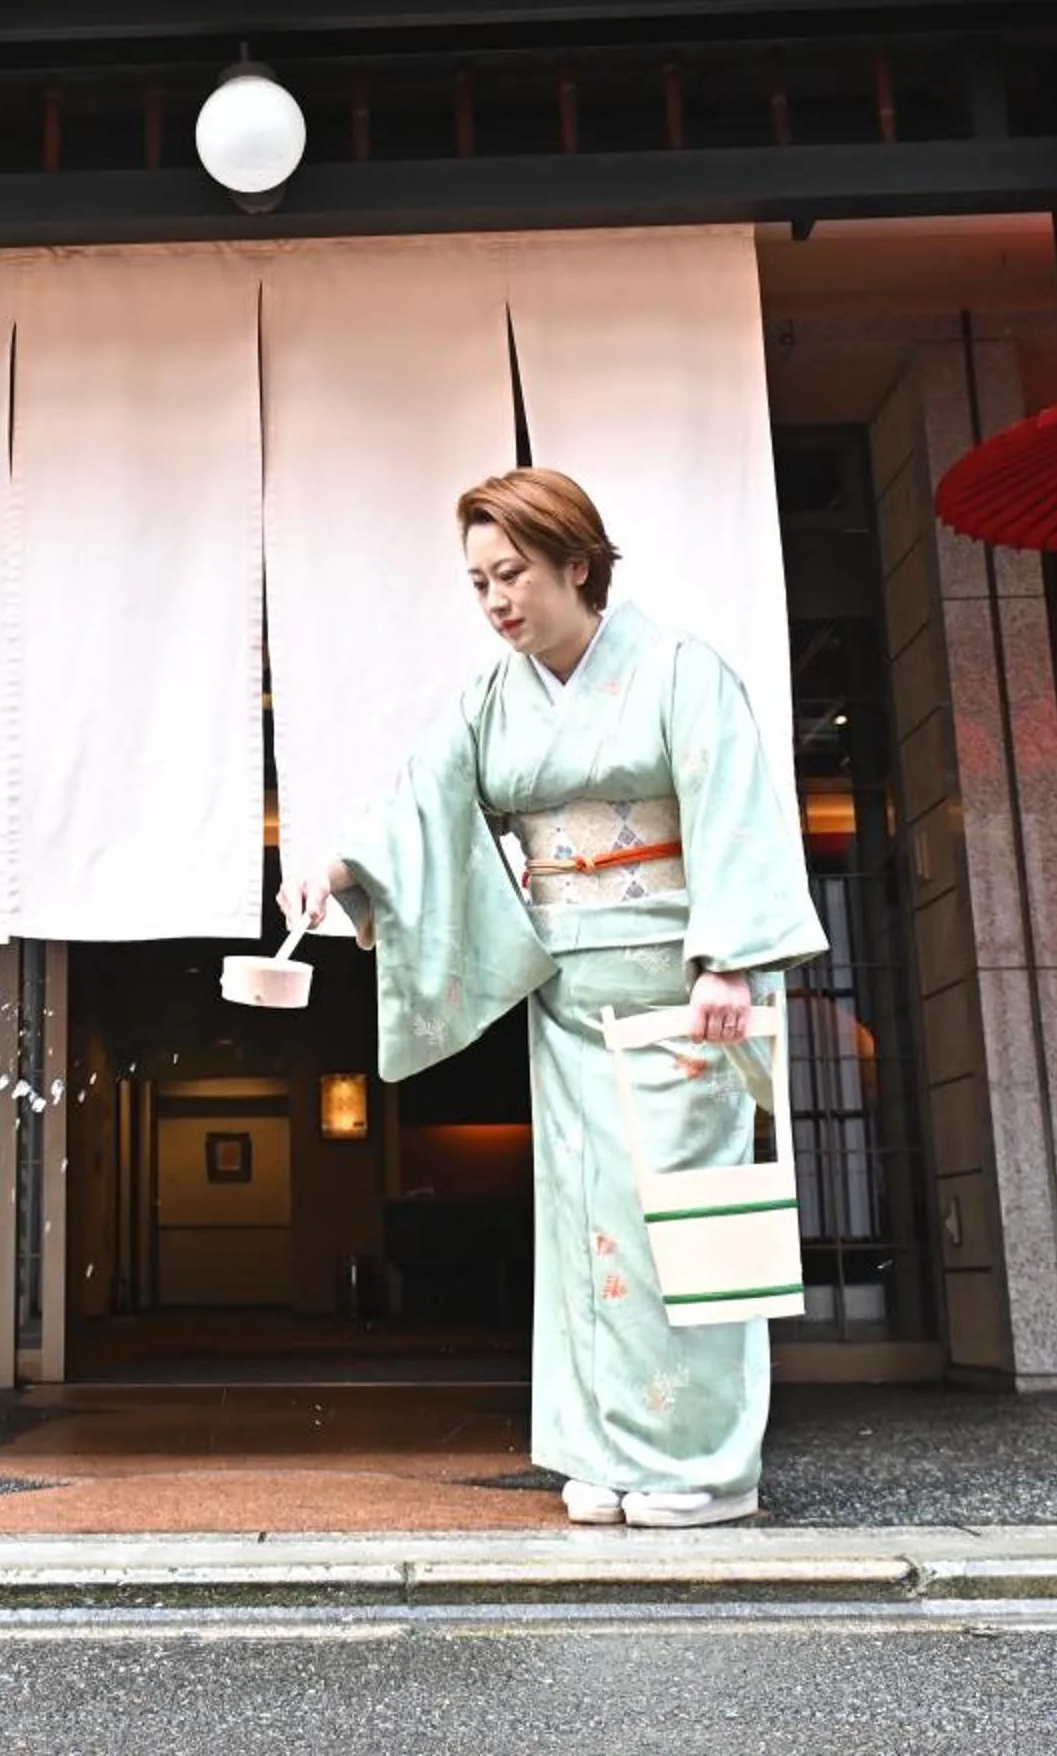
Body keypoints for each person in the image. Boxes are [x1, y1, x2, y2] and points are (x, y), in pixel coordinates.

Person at [281, 469, 826, 1529]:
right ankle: (604, 1446)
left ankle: (706, 1462)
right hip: (571, 993)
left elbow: (734, 805)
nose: (495, 599)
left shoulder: (679, 669)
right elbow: (420, 805)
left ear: (578, 561)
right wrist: (338, 868)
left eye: (512, 572)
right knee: (583, 1225)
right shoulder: (494, 695)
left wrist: (729, 958)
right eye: (478, 580)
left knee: (679, 1217)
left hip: (677, 991)